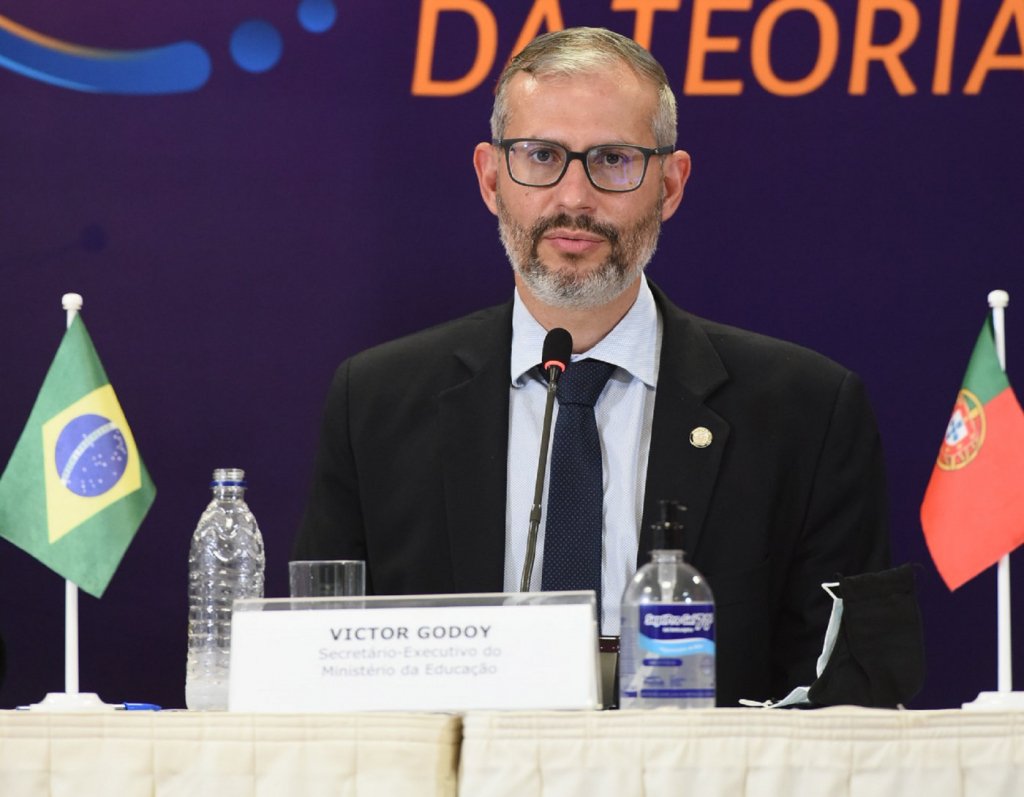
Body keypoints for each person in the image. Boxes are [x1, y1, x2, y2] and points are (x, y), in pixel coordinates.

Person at [294, 27, 890, 707]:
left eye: (612, 160)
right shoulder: (375, 403)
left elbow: (846, 694)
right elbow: (319, 667)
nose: (573, 198)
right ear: (491, 179)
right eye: (541, 156)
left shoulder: (805, 411)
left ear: (670, 185)